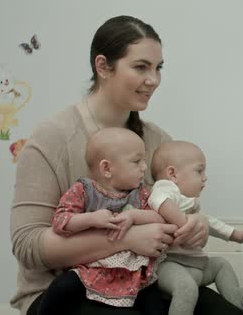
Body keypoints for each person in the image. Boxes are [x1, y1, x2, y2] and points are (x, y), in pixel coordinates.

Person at [10, 15, 243, 315]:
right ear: (103, 66)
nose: (154, 80)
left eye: (158, 68)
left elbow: (179, 215)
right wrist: (124, 240)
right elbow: (28, 246)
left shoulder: (159, 141)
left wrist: (194, 226)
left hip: (147, 282)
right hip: (65, 290)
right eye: (141, 67)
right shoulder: (52, 140)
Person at [36, 128, 166, 315]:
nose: (144, 167)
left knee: (154, 303)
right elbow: (60, 221)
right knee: (61, 287)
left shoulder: (141, 194)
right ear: (107, 168)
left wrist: (134, 216)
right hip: (91, 267)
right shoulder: (84, 191)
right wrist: (90, 218)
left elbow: (160, 218)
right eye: (137, 161)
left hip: (134, 273)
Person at [149, 141, 243, 315]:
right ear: (172, 174)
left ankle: (237, 297)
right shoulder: (166, 189)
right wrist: (184, 223)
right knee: (187, 289)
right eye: (199, 170)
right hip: (170, 265)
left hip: (194, 266)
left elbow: (208, 222)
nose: (205, 177)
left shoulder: (186, 202)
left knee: (221, 265)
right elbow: (157, 200)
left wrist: (235, 234)